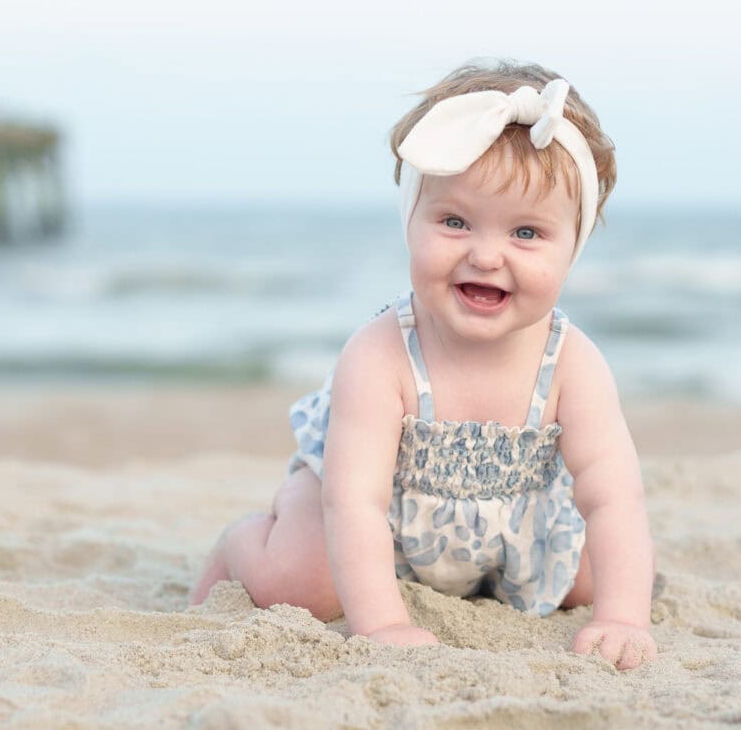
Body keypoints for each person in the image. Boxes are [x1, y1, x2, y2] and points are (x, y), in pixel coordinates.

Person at [189, 60, 657, 671]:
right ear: (410, 221)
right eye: (454, 222)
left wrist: (624, 618)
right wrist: (383, 624)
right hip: (371, 517)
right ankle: (244, 543)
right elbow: (354, 501)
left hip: (512, 530)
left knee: (599, 576)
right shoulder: (381, 354)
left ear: (574, 246)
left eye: (526, 233)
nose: (486, 255)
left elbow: (614, 496)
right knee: (303, 583)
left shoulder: (573, 362)